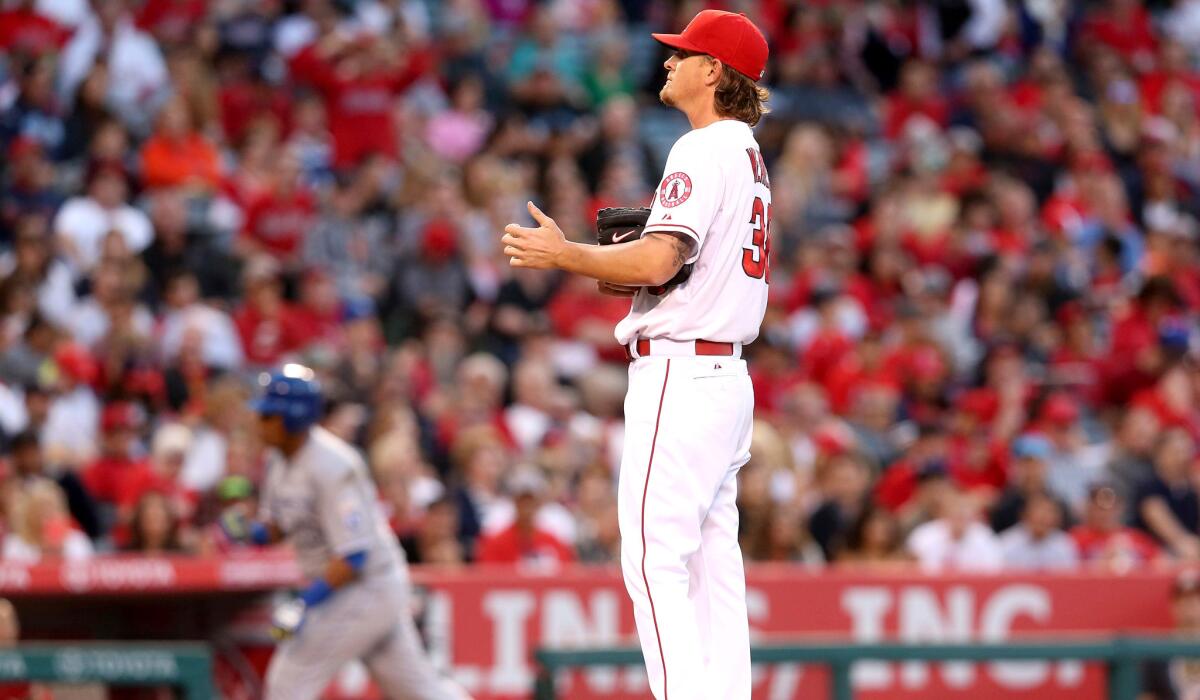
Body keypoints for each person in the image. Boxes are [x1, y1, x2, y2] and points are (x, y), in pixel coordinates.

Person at [501, 10, 771, 698]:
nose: (668, 63)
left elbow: (658, 259)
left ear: (715, 71)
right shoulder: (747, 155)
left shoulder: (702, 149)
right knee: (715, 566)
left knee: (654, 562)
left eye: (683, 55)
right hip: (725, 375)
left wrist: (564, 254)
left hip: (681, 372)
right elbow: (675, 264)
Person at [221, 364, 468, 700]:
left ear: (293, 417)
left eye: (269, 415)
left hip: (367, 584)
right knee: (418, 691)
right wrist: (251, 532)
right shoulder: (280, 459)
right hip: (348, 586)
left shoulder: (334, 464)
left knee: (289, 678)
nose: (260, 423)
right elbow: (281, 525)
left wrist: (304, 604)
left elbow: (353, 555)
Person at [1140, 569, 1200, 699]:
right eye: (1182, 599)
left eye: (1195, 598)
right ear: (1173, 605)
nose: (1189, 605)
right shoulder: (1158, 653)